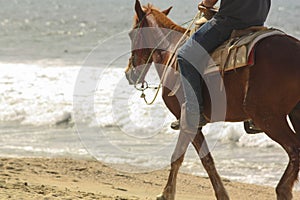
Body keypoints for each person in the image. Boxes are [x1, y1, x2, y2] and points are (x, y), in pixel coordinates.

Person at [177, 0, 271, 132]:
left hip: (229, 23)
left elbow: (210, 1)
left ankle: (194, 113)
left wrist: (205, 4)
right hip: (257, 22)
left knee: (185, 55)